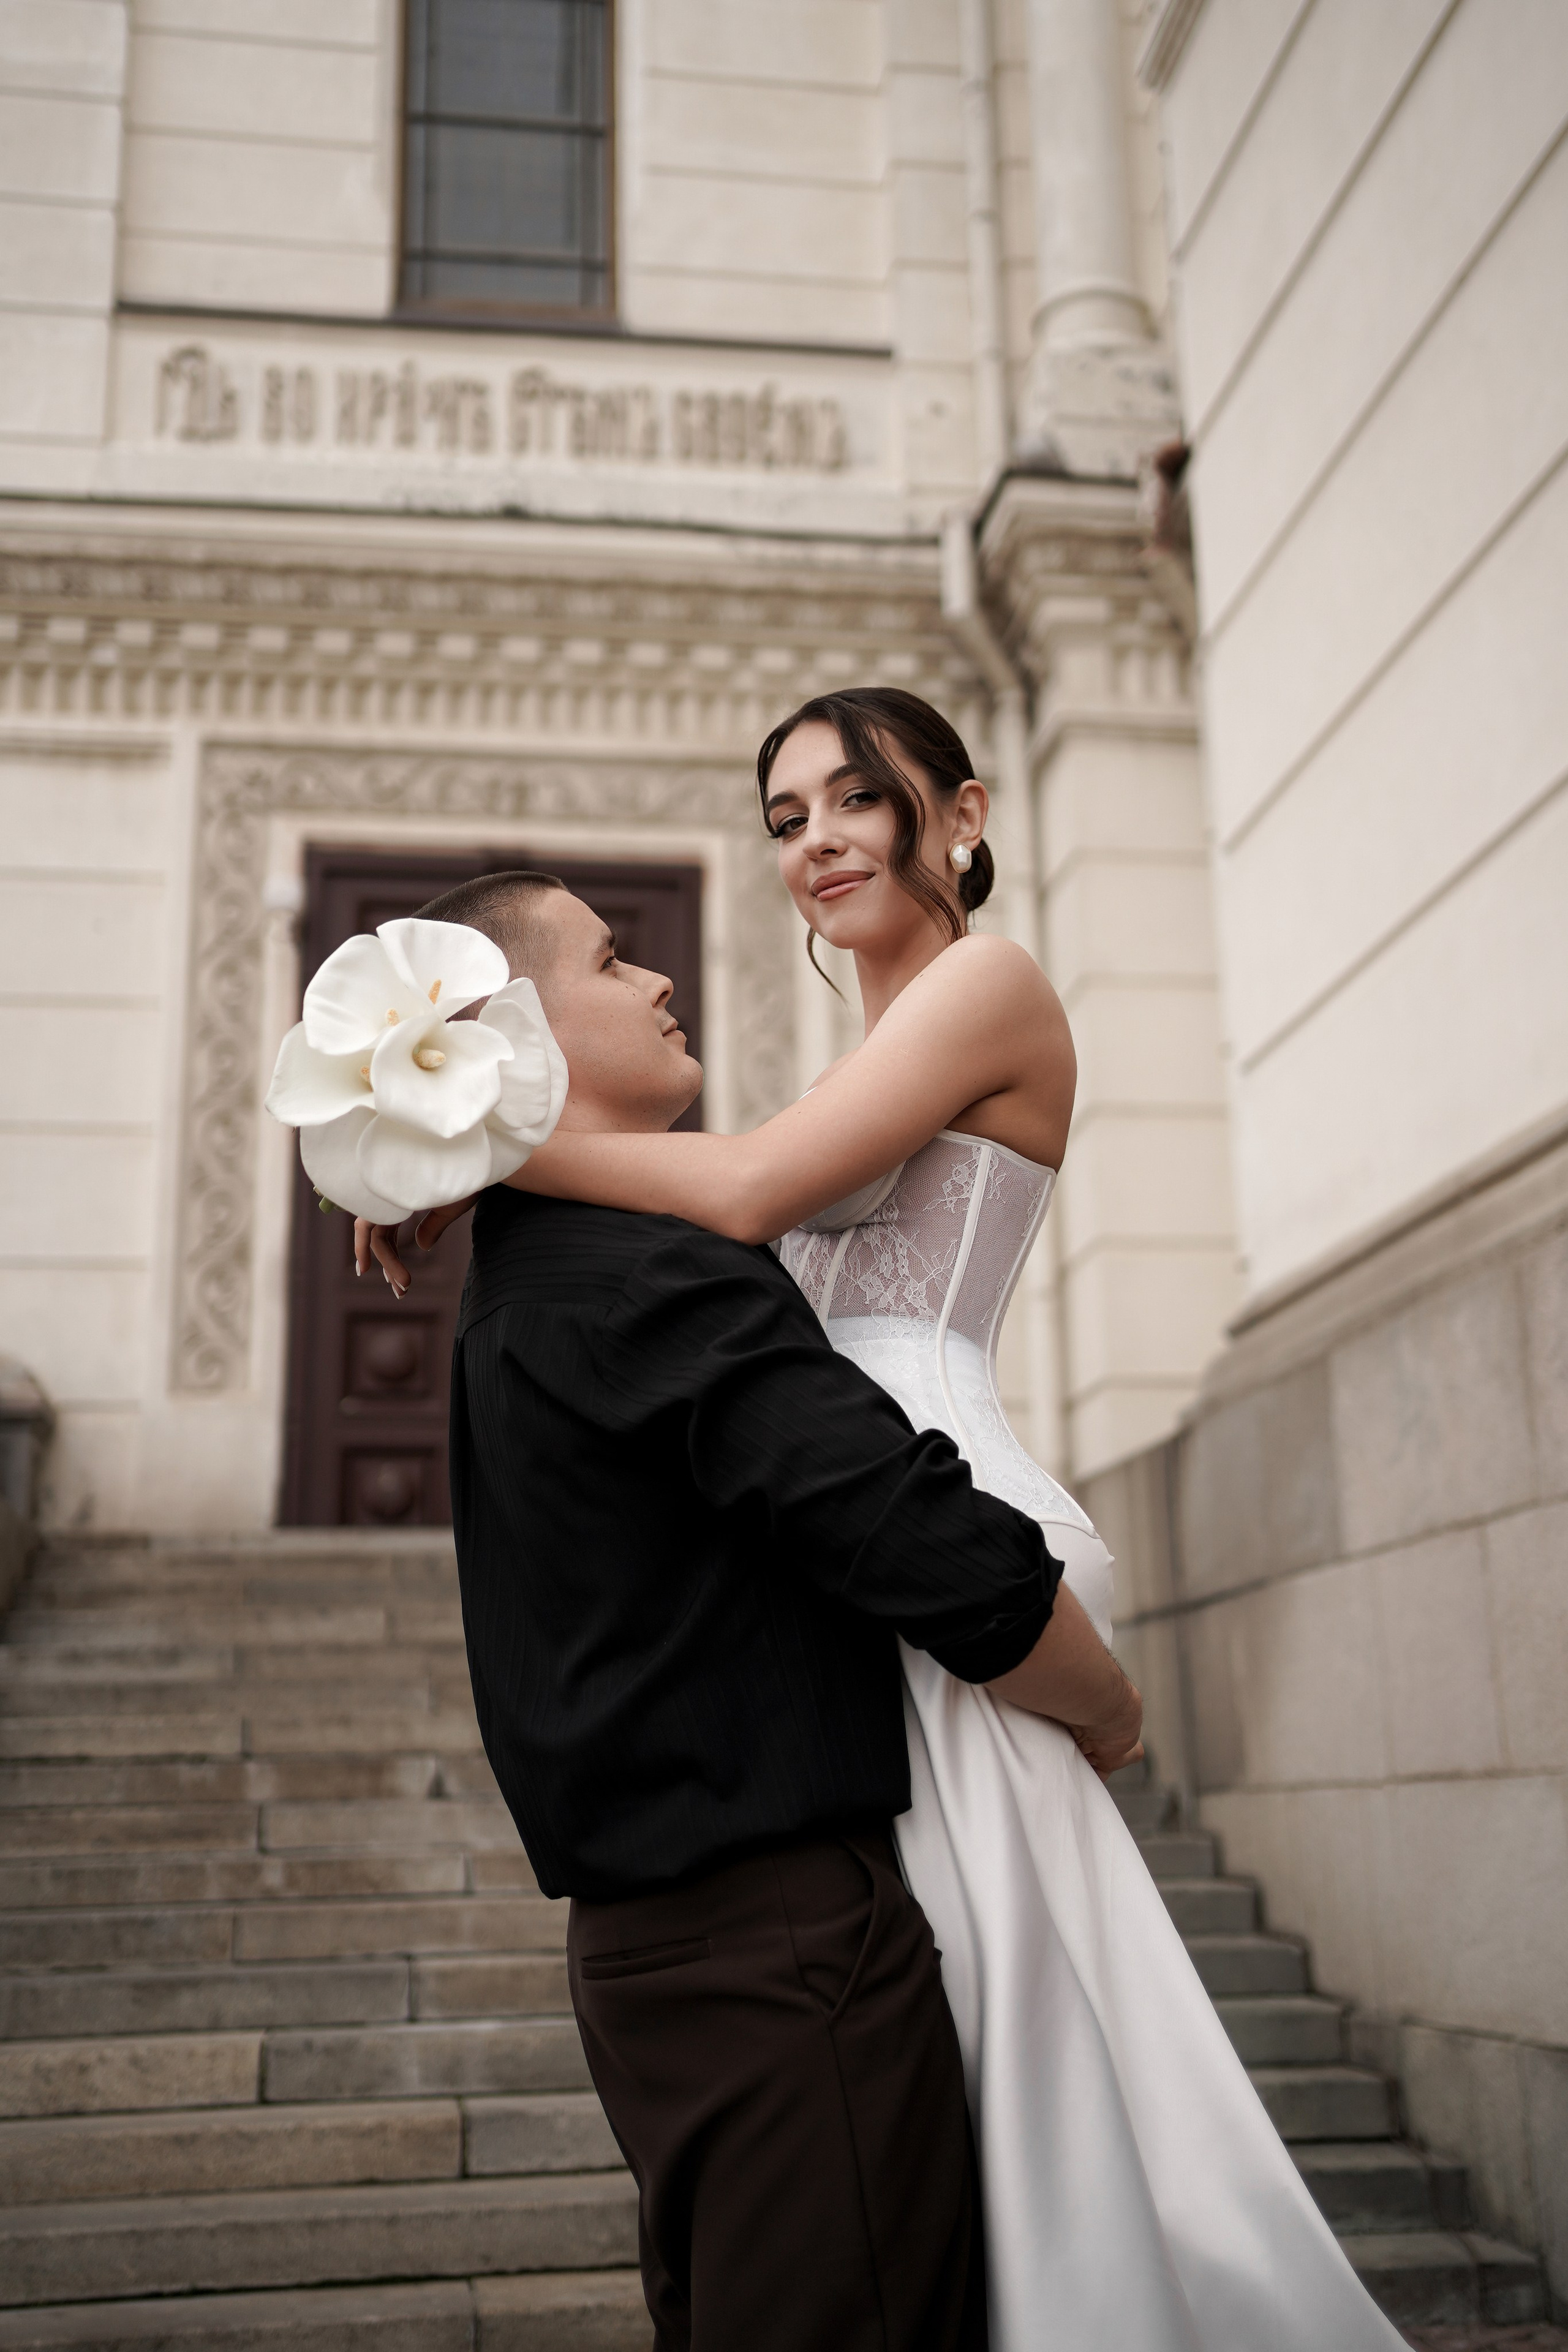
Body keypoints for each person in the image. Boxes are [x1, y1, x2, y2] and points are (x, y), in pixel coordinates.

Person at [366, 688, 1407, 2352]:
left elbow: (742, 1195)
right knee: (942, 2011)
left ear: (965, 812)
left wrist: (451, 1129)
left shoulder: (985, 988)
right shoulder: (846, 1065)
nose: (822, 839)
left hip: (924, 1507)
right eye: (786, 820)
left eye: (860, 798)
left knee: (1018, 2012)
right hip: (824, 1557)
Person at [372, 862, 1144, 2352]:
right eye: (609, 962)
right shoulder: (635, 1272)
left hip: (659, 1955)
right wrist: (1106, 1701)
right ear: (504, 1026)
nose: (657, 979)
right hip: (774, 1947)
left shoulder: (529, 1272)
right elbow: (902, 1527)